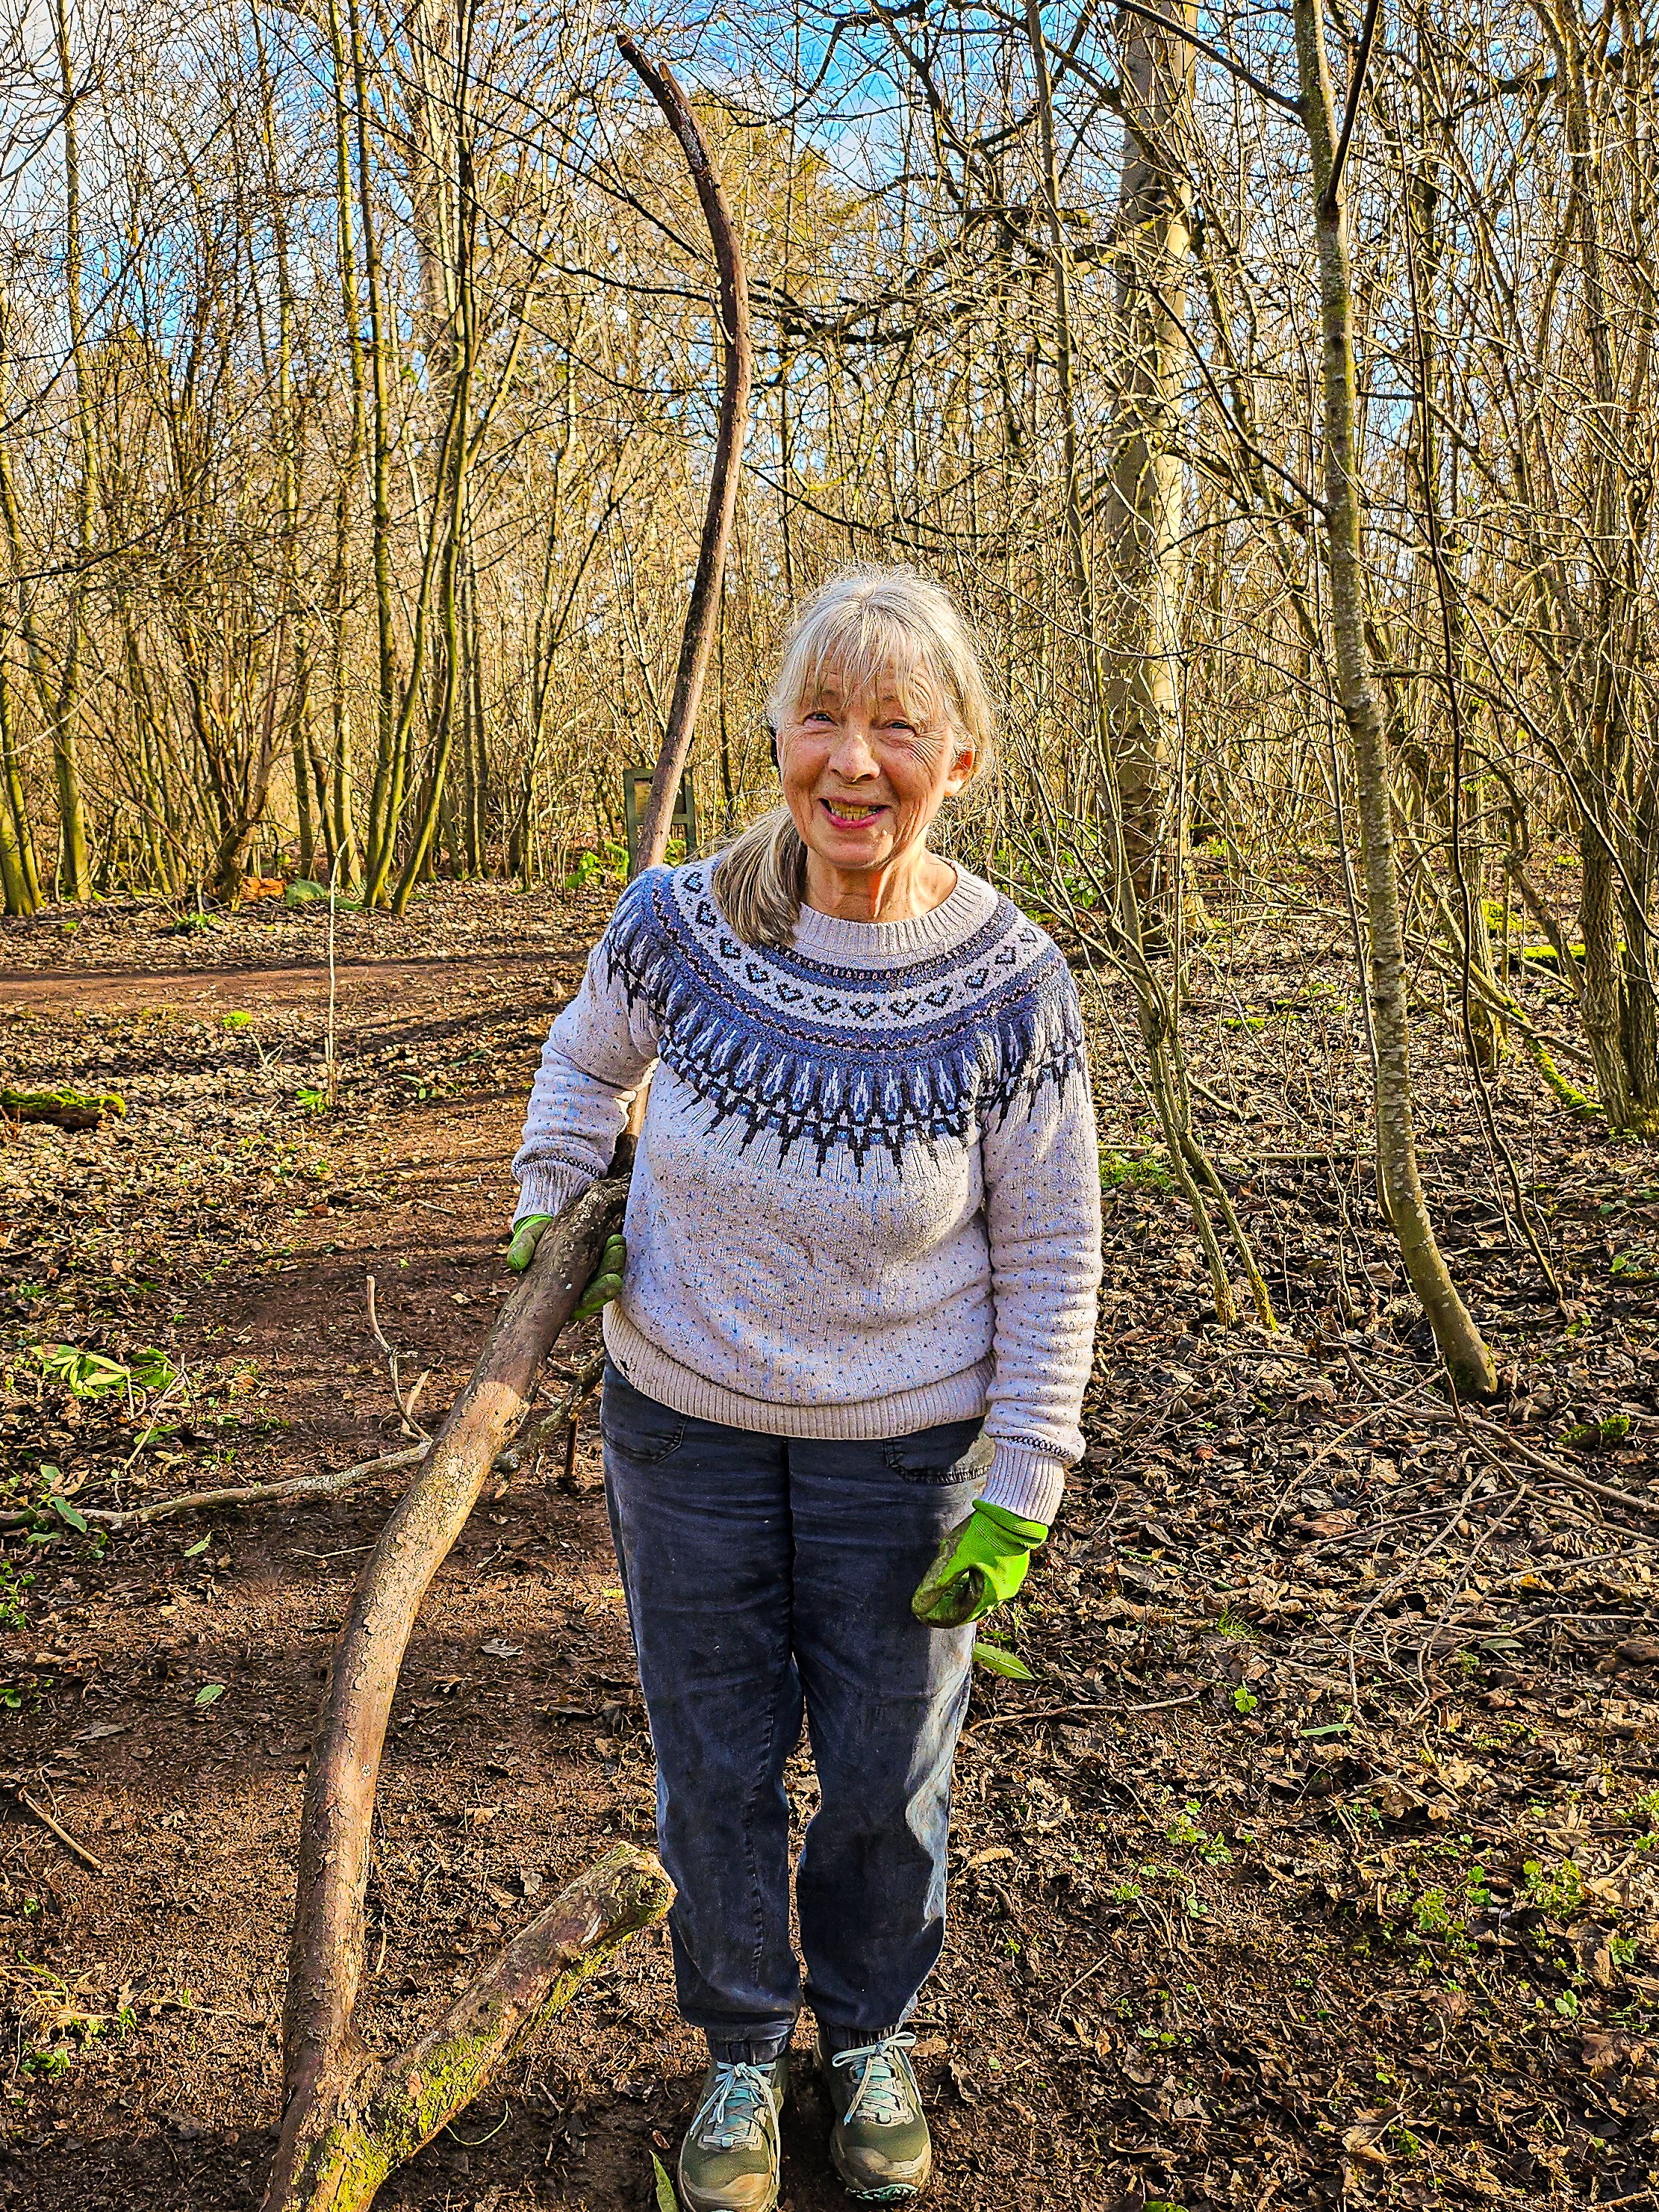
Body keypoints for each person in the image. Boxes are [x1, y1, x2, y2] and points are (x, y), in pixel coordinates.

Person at [507, 567, 1101, 2211]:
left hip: (905, 1453)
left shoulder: (1010, 985)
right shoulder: (680, 922)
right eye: (820, 716)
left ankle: (871, 2031)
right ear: (773, 733)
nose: (853, 760)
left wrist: (1020, 1482)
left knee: (885, 1769)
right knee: (709, 1758)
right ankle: (741, 2049)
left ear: (960, 758)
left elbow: (1053, 1254)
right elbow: (583, 1057)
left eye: (896, 725)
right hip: (682, 1425)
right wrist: (551, 1188)